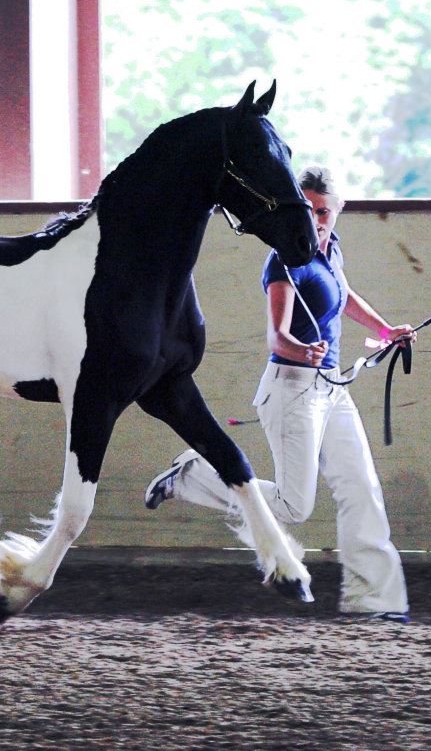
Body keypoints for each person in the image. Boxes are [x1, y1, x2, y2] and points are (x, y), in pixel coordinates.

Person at [144, 165, 414, 622]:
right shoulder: (284, 261)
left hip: (332, 390)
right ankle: (194, 475)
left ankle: (374, 601)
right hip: (292, 391)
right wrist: (302, 350)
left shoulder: (331, 251)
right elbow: (277, 337)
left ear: (336, 212)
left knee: (361, 489)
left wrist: (387, 330)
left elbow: (343, 297)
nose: (317, 219)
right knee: (294, 505)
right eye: (309, 210)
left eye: (324, 211)